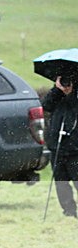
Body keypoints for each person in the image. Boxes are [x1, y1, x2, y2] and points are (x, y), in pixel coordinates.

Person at [42, 74, 78, 219]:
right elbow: (46, 105)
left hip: (75, 147)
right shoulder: (57, 92)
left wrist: (70, 95)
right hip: (57, 144)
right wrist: (57, 90)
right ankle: (69, 211)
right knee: (61, 182)